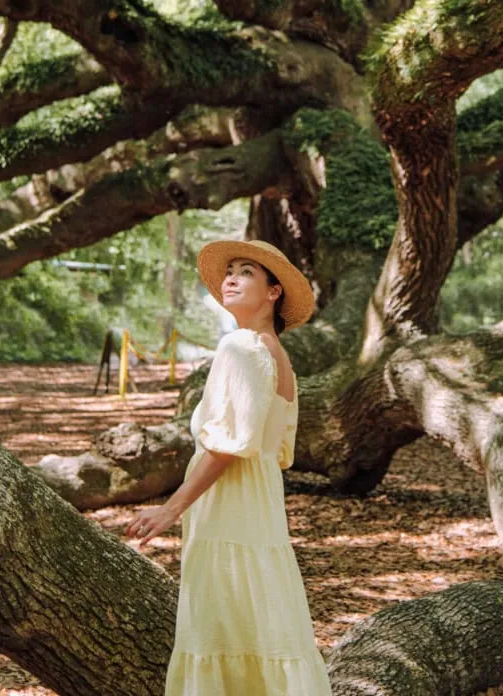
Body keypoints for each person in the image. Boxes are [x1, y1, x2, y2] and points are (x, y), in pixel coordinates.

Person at [126, 238, 332, 695]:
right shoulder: (277, 355)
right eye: (229, 271)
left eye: (246, 272)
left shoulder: (241, 346)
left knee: (223, 624)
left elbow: (225, 448)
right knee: (258, 622)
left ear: (274, 292)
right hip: (257, 503)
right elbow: (273, 449)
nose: (231, 279)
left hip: (231, 506)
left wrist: (169, 510)